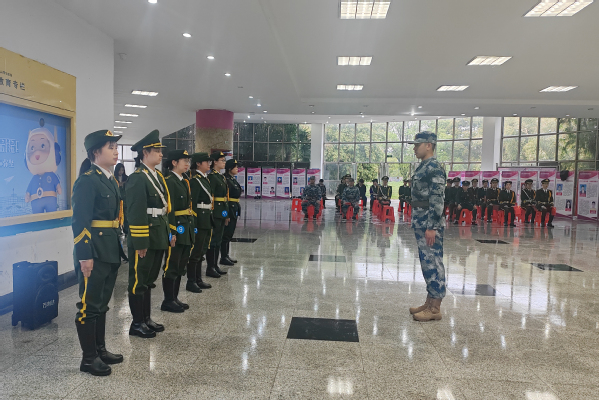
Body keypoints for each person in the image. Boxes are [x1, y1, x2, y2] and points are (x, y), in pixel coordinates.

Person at [72, 130, 124, 376]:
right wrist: (85, 256)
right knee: (89, 305)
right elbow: (80, 222)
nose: (116, 151)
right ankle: (88, 358)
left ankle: (100, 350)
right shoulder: (87, 180)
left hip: (109, 249)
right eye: (110, 147)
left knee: (102, 303)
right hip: (93, 251)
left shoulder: (110, 180)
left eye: (116, 146)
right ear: (95, 152)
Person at [125, 130, 169, 339]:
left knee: (149, 278)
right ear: (145, 152)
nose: (161, 154)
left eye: (161, 150)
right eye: (157, 150)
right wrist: (140, 241)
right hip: (145, 236)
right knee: (139, 279)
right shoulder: (137, 178)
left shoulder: (157, 176)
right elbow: (135, 212)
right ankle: (137, 323)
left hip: (158, 233)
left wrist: (168, 233)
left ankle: (146, 318)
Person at [408, 132, 446, 322]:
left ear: (429, 145)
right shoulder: (424, 166)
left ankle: (435, 308)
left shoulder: (434, 168)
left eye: (418, 145)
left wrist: (432, 226)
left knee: (433, 262)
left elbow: (437, 199)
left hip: (429, 222)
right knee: (426, 261)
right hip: (421, 220)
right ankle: (429, 301)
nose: (415, 148)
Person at [160, 150, 194, 313]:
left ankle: (175, 297)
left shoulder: (183, 180)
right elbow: (170, 209)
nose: (187, 163)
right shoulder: (170, 181)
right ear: (174, 162)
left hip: (185, 226)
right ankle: (168, 300)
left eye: (188, 160)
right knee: (172, 264)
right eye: (184, 160)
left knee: (181, 264)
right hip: (176, 227)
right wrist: (171, 231)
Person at [186, 152, 213, 292]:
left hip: (206, 218)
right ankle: (191, 281)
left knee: (201, 251)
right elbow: (193, 205)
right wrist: (194, 224)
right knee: (195, 252)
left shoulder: (204, 179)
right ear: (198, 163)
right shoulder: (195, 181)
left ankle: (198, 279)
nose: (209, 164)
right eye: (206, 161)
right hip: (199, 220)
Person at [208, 152, 230, 276]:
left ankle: (215, 265)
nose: (224, 162)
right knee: (213, 240)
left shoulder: (221, 177)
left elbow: (225, 198)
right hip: (215, 212)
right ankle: (210, 266)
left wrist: (226, 214)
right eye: (222, 160)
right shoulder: (212, 177)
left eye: (224, 160)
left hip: (221, 212)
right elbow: (211, 197)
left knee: (218, 240)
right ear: (215, 162)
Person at [221, 159, 242, 265]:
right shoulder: (226, 179)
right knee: (226, 234)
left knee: (230, 234)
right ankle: (223, 257)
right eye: (235, 167)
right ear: (230, 168)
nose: (237, 169)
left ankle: (226, 255)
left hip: (234, 207)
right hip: (229, 207)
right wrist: (226, 213)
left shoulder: (232, 179)